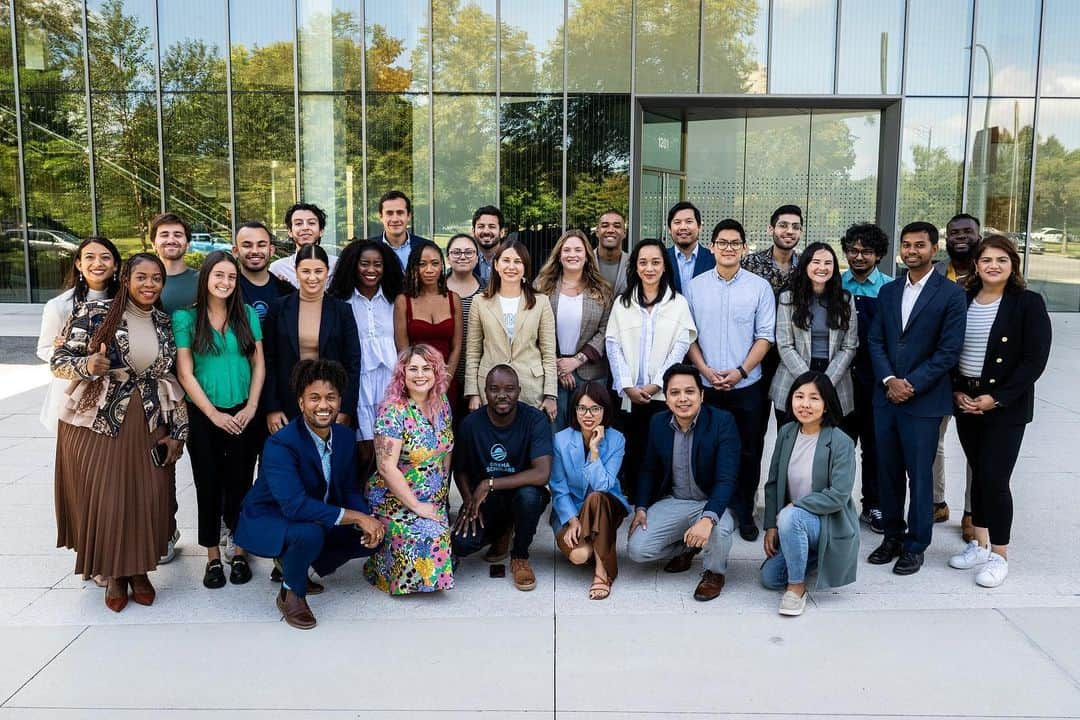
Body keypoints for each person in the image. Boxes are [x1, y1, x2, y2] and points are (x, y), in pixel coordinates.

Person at [51, 253, 189, 612]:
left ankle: (140, 570)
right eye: (141, 277)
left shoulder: (163, 321)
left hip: (148, 420)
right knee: (110, 499)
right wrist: (87, 364)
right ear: (126, 278)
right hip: (97, 423)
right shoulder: (95, 313)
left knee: (147, 497)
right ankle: (114, 573)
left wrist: (179, 430)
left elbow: (171, 379)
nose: (149, 285)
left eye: (156, 279)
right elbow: (58, 360)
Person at [234, 359, 384, 630]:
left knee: (373, 534)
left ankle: (294, 566)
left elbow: (349, 489)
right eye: (314, 398)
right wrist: (356, 518)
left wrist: (366, 517)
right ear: (301, 403)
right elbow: (293, 506)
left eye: (331, 398)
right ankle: (291, 592)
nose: (323, 405)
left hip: (312, 514)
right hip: (271, 518)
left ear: (339, 402)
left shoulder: (345, 437)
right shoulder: (280, 444)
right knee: (309, 534)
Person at [947, 235, 1051, 587]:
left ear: (1013, 265)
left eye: (1001, 260)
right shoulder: (961, 300)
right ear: (975, 264)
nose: (993, 265)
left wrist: (999, 397)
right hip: (967, 401)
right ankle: (979, 542)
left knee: (995, 479)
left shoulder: (1028, 303)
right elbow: (949, 349)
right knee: (978, 473)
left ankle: (999, 554)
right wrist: (957, 389)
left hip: (1004, 407)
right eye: (986, 259)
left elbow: (1033, 361)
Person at [867, 221, 966, 576]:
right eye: (906, 245)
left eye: (919, 245)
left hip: (923, 402)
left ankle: (915, 544)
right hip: (887, 398)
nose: (911, 251)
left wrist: (911, 383)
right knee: (887, 472)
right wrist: (890, 379)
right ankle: (892, 536)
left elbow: (948, 351)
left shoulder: (951, 294)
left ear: (933, 249)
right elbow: (876, 341)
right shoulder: (889, 292)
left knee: (919, 476)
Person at [173, 251, 264, 589]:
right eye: (219, 276)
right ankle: (212, 557)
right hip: (204, 415)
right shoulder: (186, 319)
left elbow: (259, 365)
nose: (225, 283)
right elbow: (185, 372)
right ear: (206, 279)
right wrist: (212, 414)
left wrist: (252, 407)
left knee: (242, 483)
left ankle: (240, 551)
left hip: (243, 411)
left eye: (231, 277)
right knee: (208, 484)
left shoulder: (248, 316)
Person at [686, 219, 775, 542]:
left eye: (734, 243)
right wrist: (706, 371)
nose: (728, 248)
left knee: (749, 450)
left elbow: (765, 336)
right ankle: (714, 509)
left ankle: (745, 510)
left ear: (744, 248)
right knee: (708, 449)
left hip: (747, 386)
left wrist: (739, 371)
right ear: (712, 247)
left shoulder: (759, 287)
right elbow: (689, 336)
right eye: (722, 243)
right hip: (707, 385)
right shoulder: (696, 286)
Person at [626, 364, 740, 602]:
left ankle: (714, 573)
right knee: (638, 550)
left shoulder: (722, 422)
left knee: (718, 531)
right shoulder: (658, 422)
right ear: (666, 398)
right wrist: (641, 508)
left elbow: (726, 479)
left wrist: (708, 519)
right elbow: (648, 468)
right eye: (675, 393)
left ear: (702, 394)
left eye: (689, 391)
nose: (683, 399)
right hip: (676, 501)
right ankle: (688, 547)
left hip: (712, 500)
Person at [605, 238, 697, 501]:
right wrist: (627, 386)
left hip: (662, 396)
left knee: (659, 451)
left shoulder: (678, 304)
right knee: (632, 449)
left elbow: (679, 348)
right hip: (629, 396)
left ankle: (657, 502)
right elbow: (613, 346)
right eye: (643, 262)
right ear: (634, 266)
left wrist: (657, 384)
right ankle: (633, 501)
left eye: (656, 262)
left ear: (665, 266)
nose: (649, 268)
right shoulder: (622, 304)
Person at [761, 372, 859, 616]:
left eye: (814, 398)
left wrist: (795, 507)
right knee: (770, 578)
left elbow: (838, 495)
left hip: (827, 522)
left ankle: (797, 589)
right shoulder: (786, 433)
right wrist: (771, 527)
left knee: (791, 517)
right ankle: (808, 555)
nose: (805, 404)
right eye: (799, 396)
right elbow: (773, 482)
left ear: (826, 404)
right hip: (791, 520)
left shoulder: (840, 441)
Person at [452, 365, 553, 591]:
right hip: (486, 501)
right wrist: (469, 501)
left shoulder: (535, 420)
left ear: (519, 390)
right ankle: (502, 531)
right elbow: (460, 470)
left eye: (509, 389)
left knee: (529, 497)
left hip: (522, 494)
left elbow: (542, 472)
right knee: (461, 543)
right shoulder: (470, 424)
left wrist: (490, 483)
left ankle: (519, 556)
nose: (502, 395)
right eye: (494, 389)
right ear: (485, 392)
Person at [364, 345, 455, 595]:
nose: (420, 374)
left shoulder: (441, 403)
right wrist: (416, 505)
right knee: (429, 537)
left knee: (438, 535)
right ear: (402, 374)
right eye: (412, 368)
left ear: (436, 372)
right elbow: (385, 466)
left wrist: (442, 494)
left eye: (426, 368)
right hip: (395, 498)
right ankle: (386, 571)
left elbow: (446, 450)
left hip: (431, 496)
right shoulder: (392, 411)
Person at [262, 244, 362, 435]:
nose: (312, 277)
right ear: (296, 272)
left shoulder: (342, 311)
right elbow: (269, 360)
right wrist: (272, 408)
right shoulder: (278, 308)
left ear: (327, 272)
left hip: (330, 402)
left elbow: (353, 363)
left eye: (318, 271)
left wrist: (346, 408)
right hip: (288, 401)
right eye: (305, 271)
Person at [328, 240, 402, 477]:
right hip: (358, 380)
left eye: (377, 264)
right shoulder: (341, 301)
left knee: (391, 445)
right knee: (363, 450)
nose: (371, 270)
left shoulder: (394, 299)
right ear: (353, 265)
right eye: (365, 264)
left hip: (390, 379)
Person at [549, 382, 630, 600]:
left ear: (605, 410)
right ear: (574, 410)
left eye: (595, 408)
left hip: (607, 505)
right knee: (579, 556)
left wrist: (594, 451)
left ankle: (602, 572)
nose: (588, 415)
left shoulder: (616, 439)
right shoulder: (560, 440)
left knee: (596, 497)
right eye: (582, 408)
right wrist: (572, 520)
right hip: (572, 511)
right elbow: (558, 487)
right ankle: (599, 545)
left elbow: (603, 486)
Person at [464, 240, 557, 420]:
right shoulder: (480, 302)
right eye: (506, 260)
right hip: (490, 388)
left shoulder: (541, 302)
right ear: (496, 265)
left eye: (518, 261)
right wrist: (473, 392)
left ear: (525, 267)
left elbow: (548, 352)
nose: (511, 267)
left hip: (530, 387)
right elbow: (473, 351)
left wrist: (550, 394)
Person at [38, 236, 121, 433]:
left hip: (115, 391)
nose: (97, 263)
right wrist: (65, 352)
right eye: (90, 257)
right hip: (73, 389)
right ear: (79, 264)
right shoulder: (60, 305)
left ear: (116, 265)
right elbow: (44, 349)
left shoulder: (124, 302)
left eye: (105, 258)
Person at [932, 213, 982, 534]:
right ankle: (937, 502)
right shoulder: (935, 273)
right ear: (946, 238)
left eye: (967, 232)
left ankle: (971, 512)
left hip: (975, 372)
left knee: (975, 448)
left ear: (979, 235)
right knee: (932, 441)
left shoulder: (990, 273)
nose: (960, 237)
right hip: (938, 373)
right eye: (954, 233)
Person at [770, 241, 857, 427]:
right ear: (806, 265)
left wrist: (826, 381)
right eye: (816, 262)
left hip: (835, 376)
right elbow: (784, 344)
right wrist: (808, 381)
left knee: (829, 445)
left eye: (828, 263)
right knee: (790, 443)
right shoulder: (788, 298)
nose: (822, 268)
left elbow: (849, 345)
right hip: (794, 377)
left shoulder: (845, 299)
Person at [840, 223, 892, 534]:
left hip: (876, 381)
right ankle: (838, 504)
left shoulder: (888, 288)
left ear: (879, 255)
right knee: (840, 447)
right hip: (841, 380)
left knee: (875, 448)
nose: (859, 257)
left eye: (867, 251)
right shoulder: (835, 284)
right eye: (853, 250)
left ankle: (873, 504)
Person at [534, 229, 613, 430]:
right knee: (554, 430)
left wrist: (576, 361)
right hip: (551, 371)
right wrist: (559, 365)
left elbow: (606, 330)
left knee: (588, 431)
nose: (572, 254)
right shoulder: (542, 286)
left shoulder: (602, 289)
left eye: (578, 250)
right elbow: (534, 329)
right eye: (567, 250)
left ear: (587, 256)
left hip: (591, 372)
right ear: (559, 256)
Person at [393, 240, 462, 407]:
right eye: (422, 264)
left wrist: (445, 381)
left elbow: (457, 346)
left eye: (435, 263)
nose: (429, 270)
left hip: (447, 383)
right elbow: (403, 351)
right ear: (413, 267)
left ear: (442, 266)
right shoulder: (403, 301)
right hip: (416, 383)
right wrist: (420, 382)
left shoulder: (453, 299)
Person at [445, 233, 483, 425]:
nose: (462, 256)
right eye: (456, 252)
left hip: (477, 375)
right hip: (442, 374)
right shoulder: (436, 289)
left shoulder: (488, 290)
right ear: (448, 257)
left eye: (469, 252)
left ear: (477, 257)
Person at [233, 220, 293, 326]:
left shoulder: (286, 290)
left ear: (271, 250)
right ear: (235, 251)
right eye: (247, 246)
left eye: (261, 245)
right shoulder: (228, 290)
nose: (255, 251)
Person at [268, 203, 339, 288]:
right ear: (290, 232)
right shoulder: (278, 269)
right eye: (298, 223)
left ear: (321, 231)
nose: (305, 228)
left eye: (311, 223)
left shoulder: (337, 265)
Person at [367, 190, 429, 271]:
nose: (395, 219)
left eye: (400, 213)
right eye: (389, 213)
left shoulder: (425, 247)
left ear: (409, 216)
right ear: (381, 217)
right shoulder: (367, 248)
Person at [665, 201, 714, 301]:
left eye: (689, 221)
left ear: (699, 227)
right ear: (669, 229)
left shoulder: (713, 259)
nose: (683, 227)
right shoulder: (661, 258)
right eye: (677, 222)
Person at [152, 212, 198, 314]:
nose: (171, 240)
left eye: (178, 235)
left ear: (188, 244)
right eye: (164, 235)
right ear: (153, 244)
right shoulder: (141, 283)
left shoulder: (203, 281)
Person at [595, 209, 629, 296]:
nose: (610, 230)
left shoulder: (633, 264)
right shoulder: (584, 262)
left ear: (624, 233)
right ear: (597, 232)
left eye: (617, 226)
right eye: (605, 225)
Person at [472, 205, 506, 286]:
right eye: (481, 226)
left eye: (492, 226)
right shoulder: (467, 260)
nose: (486, 231)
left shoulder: (512, 261)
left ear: (502, 232)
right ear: (473, 232)